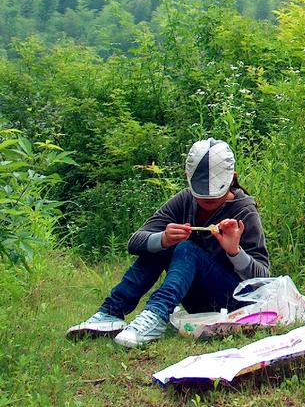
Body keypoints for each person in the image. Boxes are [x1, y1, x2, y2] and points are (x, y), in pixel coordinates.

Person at [67, 138, 270, 348]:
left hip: (233, 302)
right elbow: (135, 242)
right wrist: (162, 239)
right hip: (198, 301)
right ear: (188, 179)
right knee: (161, 244)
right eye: (201, 194)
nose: (207, 201)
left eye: (215, 195)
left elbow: (263, 280)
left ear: (231, 180)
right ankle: (111, 312)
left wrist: (235, 252)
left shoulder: (244, 210)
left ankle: (157, 313)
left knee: (187, 249)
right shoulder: (184, 201)